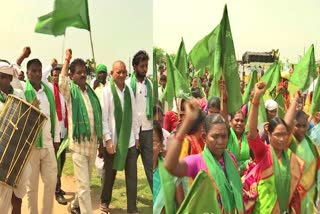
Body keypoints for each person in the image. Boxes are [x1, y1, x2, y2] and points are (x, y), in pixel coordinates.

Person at [164, 99, 244, 213]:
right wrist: (185, 125)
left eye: (224, 136)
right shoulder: (197, 161)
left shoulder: (231, 159)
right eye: (215, 136)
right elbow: (170, 166)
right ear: (204, 137)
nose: (220, 141)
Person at [246, 81, 304, 213]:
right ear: (269, 134)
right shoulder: (263, 153)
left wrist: (295, 100)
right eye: (277, 135)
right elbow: (252, 132)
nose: (282, 138)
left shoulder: (289, 156)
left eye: (284, 135)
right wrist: (256, 100)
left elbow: (288, 124)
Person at [59, 49, 103, 214]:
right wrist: (66, 60)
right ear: (72, 76)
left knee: (85, 183)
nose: (83, 75)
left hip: (92, 146)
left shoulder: (91, 93)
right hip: (78, 146)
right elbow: (61, 81)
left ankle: (75, 205)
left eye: (84, 72)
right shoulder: (71, 92)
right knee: (84, 186)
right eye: (79, 72)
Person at [99, 60, 139, 214]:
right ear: (112, 73)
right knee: (109, 174)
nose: (122, 75)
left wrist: (136, 137)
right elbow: (103, 118)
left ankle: (132, 207)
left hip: (128, 141)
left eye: (124, 72)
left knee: (132, 176)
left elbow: (134, 115)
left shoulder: (129, 91)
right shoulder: (107, 92)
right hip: (114, 141)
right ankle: (104, 203)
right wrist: (108, 140)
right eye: (118, 72)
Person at [24, 58, 60, 214]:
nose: (37, 74)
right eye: (34, 70)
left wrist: (57, 138)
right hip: (31, 146)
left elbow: (54, 116)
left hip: (48, 144)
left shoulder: (48, 91)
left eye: (40, 70)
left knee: (51, 182)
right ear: (27, 73)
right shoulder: (23, 92)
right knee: (32, 187)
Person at [0, 61, 31, 214]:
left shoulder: (18, 94)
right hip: (1, 154)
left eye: (6, 77)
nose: (4, 81)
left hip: (17, 151)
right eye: (1, 77)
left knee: (18, 194)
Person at [41, 60, 69, 205]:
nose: (57, 78)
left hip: (64, 133)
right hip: (54, 134)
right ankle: (56, 191)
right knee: (55, 164)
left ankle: (57, 186)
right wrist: (51, 66)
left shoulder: (66, 90)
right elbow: (41, 77)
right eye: (54, 75)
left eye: (59, 75)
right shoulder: (49, 89)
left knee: (61, 162)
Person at [126, 50, 153, 191]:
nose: (145, 69)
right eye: (142, 66)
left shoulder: (151, 86)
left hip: (148, 131)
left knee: (150, 166)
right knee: (131, 167)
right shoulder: (127, 85)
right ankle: (132, 201)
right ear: (135, 67)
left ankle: (157, 199)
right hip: (132, 131)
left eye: (146, 66)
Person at [288, 110, 319, 213]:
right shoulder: (286, 144)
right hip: (290, 196)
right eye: (298, 126)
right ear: (292, 125)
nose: (301, 129)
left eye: (304, 126)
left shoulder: (313, 147)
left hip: (308, 196)